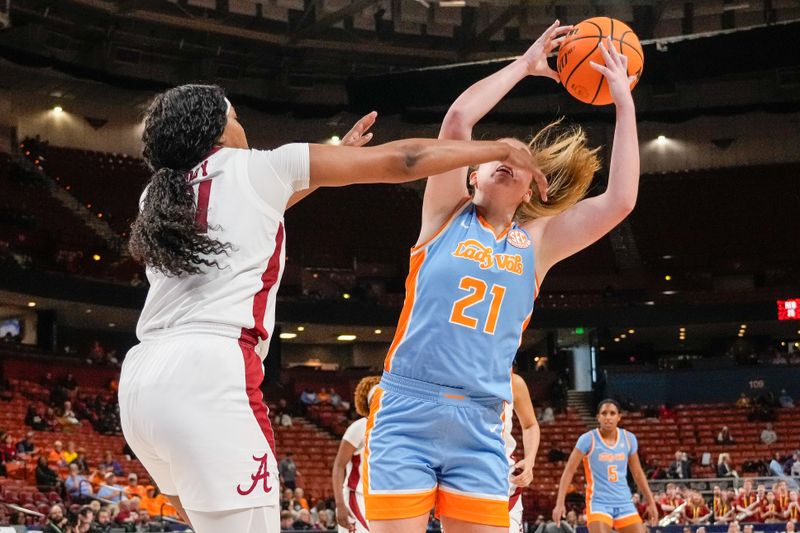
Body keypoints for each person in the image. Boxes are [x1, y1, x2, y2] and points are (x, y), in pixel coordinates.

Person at [118, 84, 538, 533]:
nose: (244, 126)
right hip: (211, 373)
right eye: (236, 117)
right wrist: (500, 149)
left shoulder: (160, 195)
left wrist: (324, 168)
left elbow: (259, 207)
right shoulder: (260, 165)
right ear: (216, 128)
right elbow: (406, 161)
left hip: (142, 383)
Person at [364, 22, 640, 533]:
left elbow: (620, 201)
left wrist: (624, 104)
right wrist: (526, 64)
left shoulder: (537, 243)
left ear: (533, 184)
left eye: (518, 156)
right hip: (407, 408)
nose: (506, 157)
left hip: (482, 421)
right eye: (495, 154)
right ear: (472, 172)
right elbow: (459, 119)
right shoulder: (445, 213)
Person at [553, 400, 658, 533]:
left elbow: (638, 473)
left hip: (624, 502)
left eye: (612, 413)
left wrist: (651, 501)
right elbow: (568, 472)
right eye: (604, 413)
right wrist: (559, 503)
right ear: (598, 417)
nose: (608, 417)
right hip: (598, 502)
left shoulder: (628, 439)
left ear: (619, 417)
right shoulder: (587, 439)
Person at [332, 375, 381, 533]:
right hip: (356, 495)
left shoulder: (394, 429)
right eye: (377, 397)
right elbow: (339, 466)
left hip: (380, 498)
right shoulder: (360, 427)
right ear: (369, 402)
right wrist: (340, 504)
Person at [504, 373, 542, 533]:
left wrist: (530, 459)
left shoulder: (513, 382)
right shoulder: (454, 377)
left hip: (503, 481)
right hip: (460, 480)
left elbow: (530, 425)